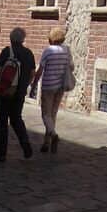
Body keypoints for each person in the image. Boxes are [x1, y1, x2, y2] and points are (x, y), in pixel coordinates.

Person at [0, 27, 35, 162]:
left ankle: (1, 153)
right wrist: (23, 86)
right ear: (23, 39)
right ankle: (26, 146)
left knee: (2, 121)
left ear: (11, 39)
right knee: (16, 119)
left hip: (4, 92)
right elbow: (32, 74)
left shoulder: (6, 52)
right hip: (19, 92)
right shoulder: (28, 53)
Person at [31, 25, 74, 154]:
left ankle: (53, 135)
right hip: (60, 85)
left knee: (45, 114)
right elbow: (72, 67)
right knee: (53, 114)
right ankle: (46, 142)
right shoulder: (67, 50)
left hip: (48, 86)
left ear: (51, 38)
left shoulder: (48, 51)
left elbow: (40, 70)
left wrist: (34, 84)